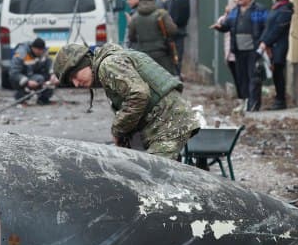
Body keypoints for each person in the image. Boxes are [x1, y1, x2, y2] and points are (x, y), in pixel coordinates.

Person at [52, 43, 200, 160]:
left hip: (169, 124)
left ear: (84, 63)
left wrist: (118, 129)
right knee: (164, 175)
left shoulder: (108, 65)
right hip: (167, 122)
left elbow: (139, 95)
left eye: (74, 76)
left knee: (155, 178)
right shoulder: (112, 60)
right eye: (71, 81)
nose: (76, 83)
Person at [210, 0, 267, 111]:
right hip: (238, 50)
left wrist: (263, 43)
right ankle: (245, 102)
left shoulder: (259, 9)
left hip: (254, 50)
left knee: (254, 77)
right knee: (242, 78)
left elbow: (266, 27)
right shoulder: (235, 11)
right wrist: (220, 27)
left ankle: (253, 105)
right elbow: (227, 25)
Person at [127, 0, 178, 75]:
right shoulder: (162, 14)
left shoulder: (135, 16)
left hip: (143, 55)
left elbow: (131, 37)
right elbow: (172, 31)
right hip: (162, 54)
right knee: (166, 78)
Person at [259, 0, 294, 110]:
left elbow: (277, 29)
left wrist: (266, 42)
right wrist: (263, 40)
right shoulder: (276, 8)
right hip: (272, 45)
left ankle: (280, 100)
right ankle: (278, 99)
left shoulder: (285, 9)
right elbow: (268, 27)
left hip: (279, 45)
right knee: (275, 73)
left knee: (278, 72)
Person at [9, 37, 59, 104]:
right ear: (33, 48)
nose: (40, 52)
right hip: (22, 77)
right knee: (38, 79)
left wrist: (53, 74)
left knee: (50, 80)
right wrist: (27, 82)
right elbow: (14, 73)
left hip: (35, 75)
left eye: (42, 50)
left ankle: (43, 99)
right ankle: (20, 98)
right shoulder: (21, 54)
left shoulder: (43, 52)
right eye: (38, 50)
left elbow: (49, 63)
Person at [159, 0, 191, 76]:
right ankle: (177, 74)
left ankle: (169, 74)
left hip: (166, 31)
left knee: (167, 53)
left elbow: (159, 12)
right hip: (181, 29)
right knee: (179, 54)